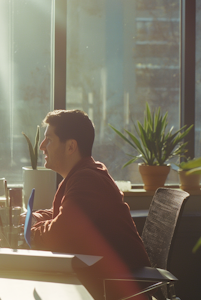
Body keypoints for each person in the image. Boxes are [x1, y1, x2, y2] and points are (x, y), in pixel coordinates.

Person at [29, 109, 151, 299]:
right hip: (102, 279)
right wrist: (32, 218)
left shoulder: (87, 179)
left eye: (49, 140)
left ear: (70, 147)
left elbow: (59, 234)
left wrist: (27, 232)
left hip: (116, 287)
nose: (42, 146)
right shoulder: (83, 173)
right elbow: (62, 215)